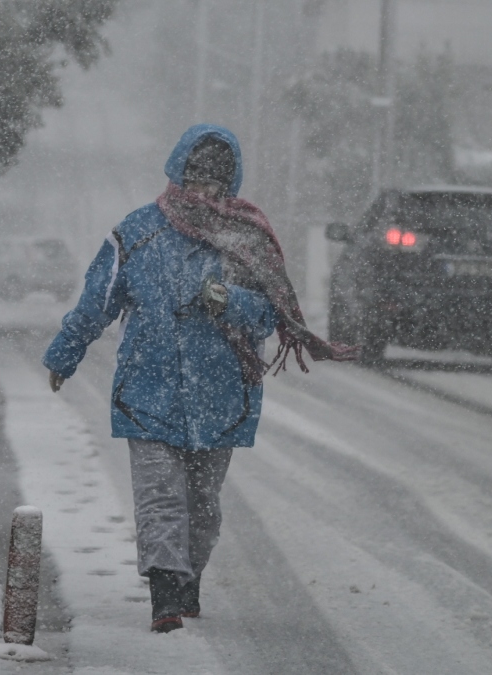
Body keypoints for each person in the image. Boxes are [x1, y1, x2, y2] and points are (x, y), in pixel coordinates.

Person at [42, 124, 357, 633]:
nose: (204, 189)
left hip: (221, 395)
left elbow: (268, 317)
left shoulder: (247, 241)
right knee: (159, 496)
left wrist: (230, 301)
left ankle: (188, 583)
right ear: (177, 172)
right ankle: (165, 594)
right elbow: (98, 300)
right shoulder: (137, 232)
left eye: (216, 179)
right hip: (146, 390)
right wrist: (66, 352)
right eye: (196, 176)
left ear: (230, 182)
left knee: (202, 506)